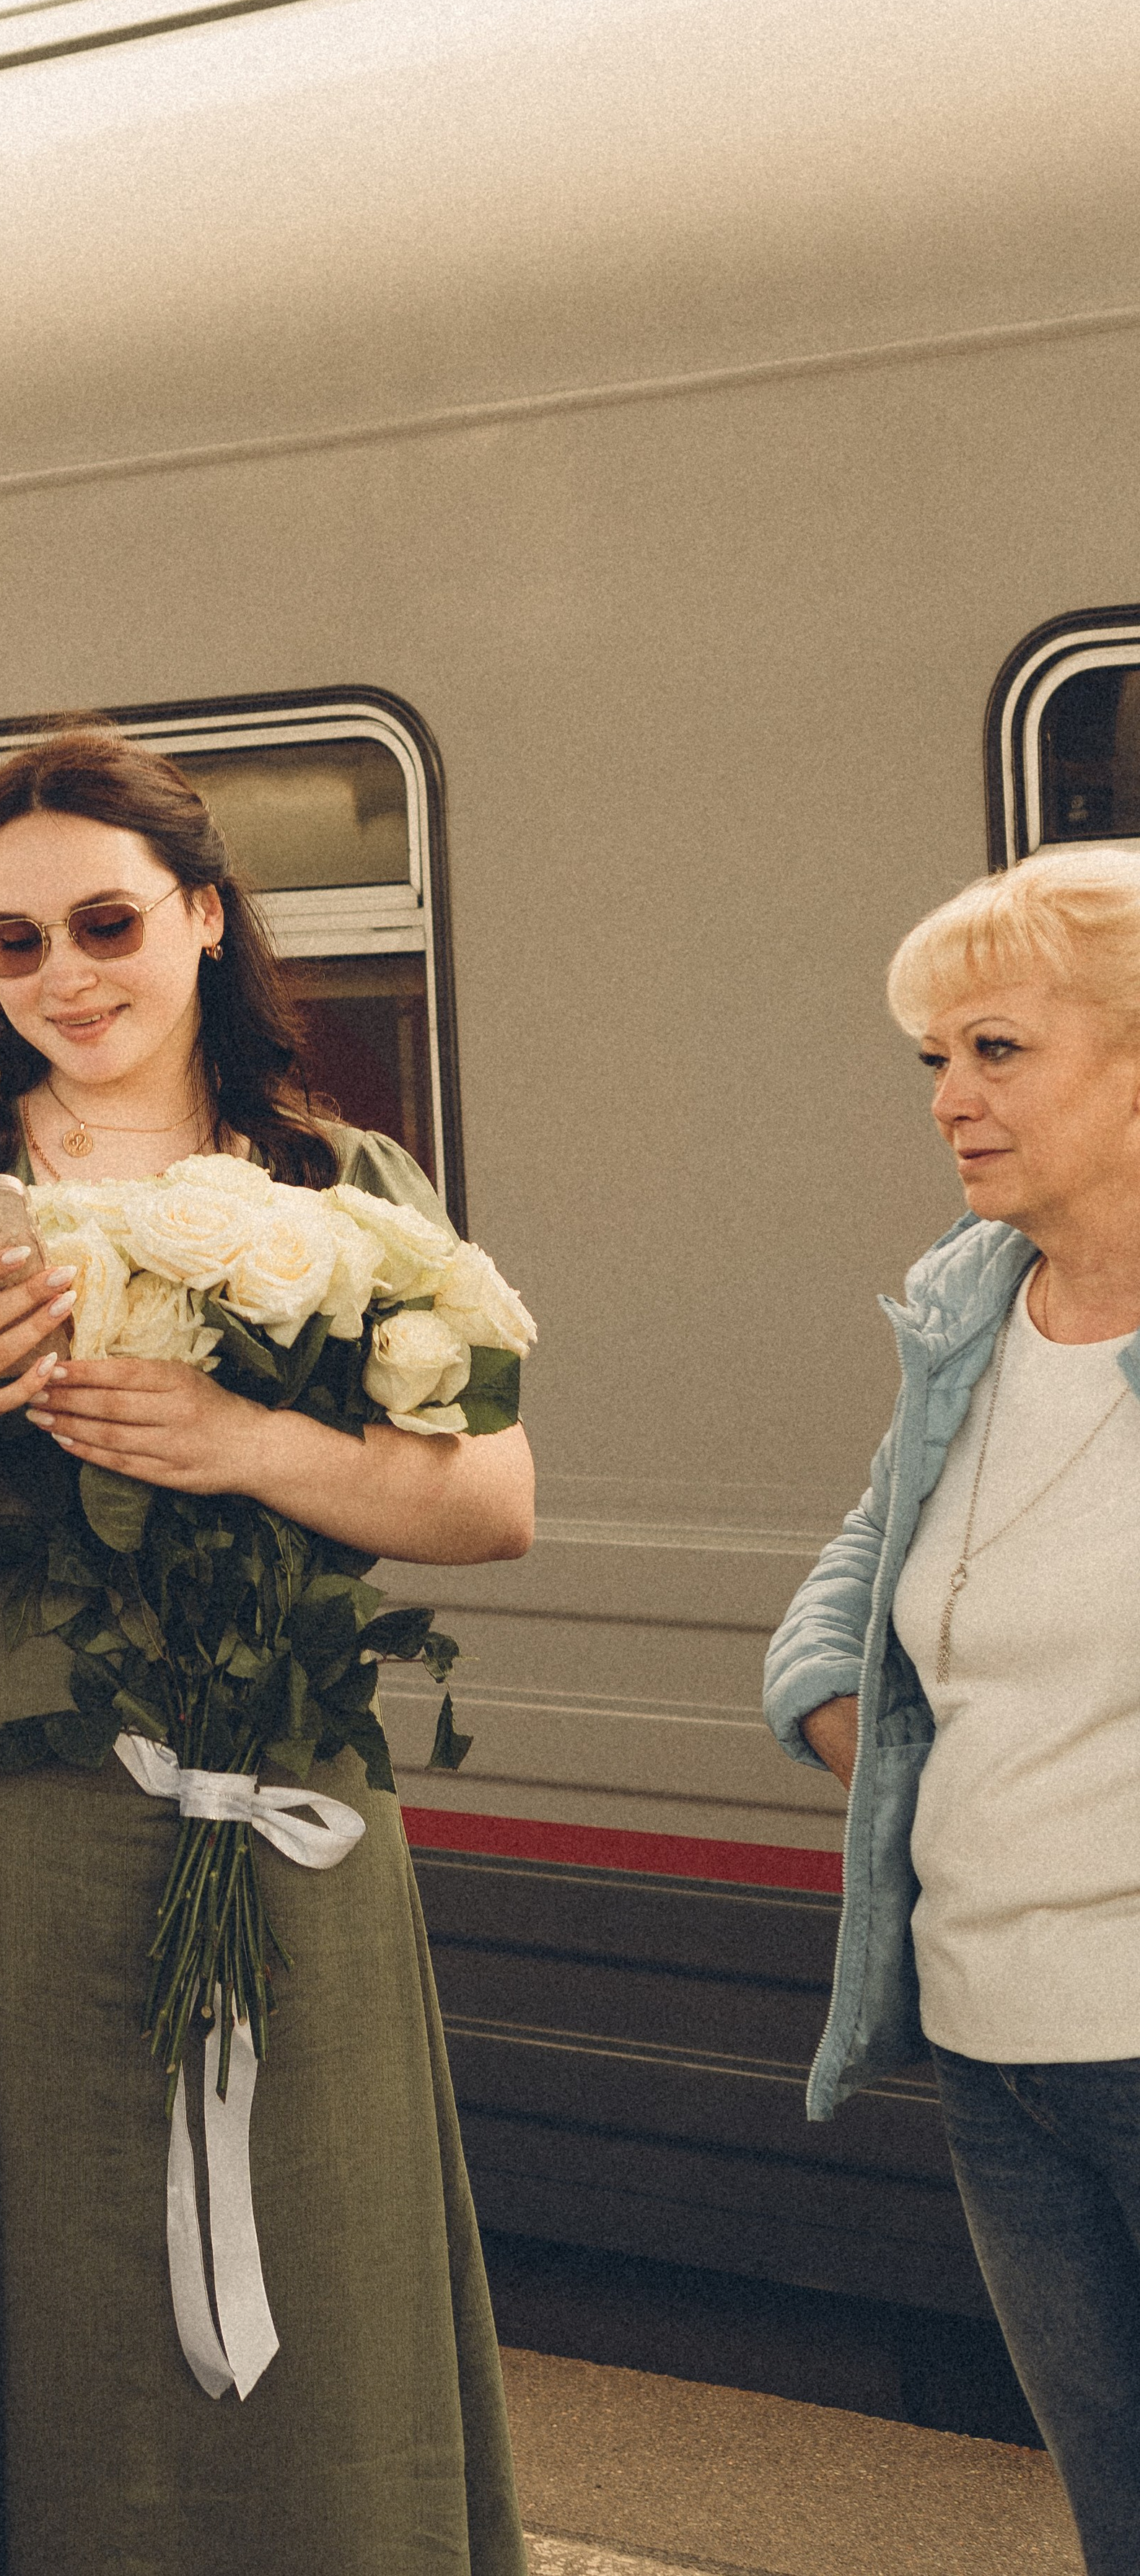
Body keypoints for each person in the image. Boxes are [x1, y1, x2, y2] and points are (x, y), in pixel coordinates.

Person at [0, 726, 538, 2576]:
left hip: (279, 1782)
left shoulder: (346, 1182)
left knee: (309, 2234)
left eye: (104, 920)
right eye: (11, 944)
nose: (64, 977)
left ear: (199, 914)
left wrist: (248, 1444)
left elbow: (490, 1500)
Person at [765, 844, 1140, 2575]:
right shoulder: (973, 1311)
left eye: (994, 1052)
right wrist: (864, 1723)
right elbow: (858, 1575)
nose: (948, 1101)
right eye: (933, 1060)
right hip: (1002, 2047)